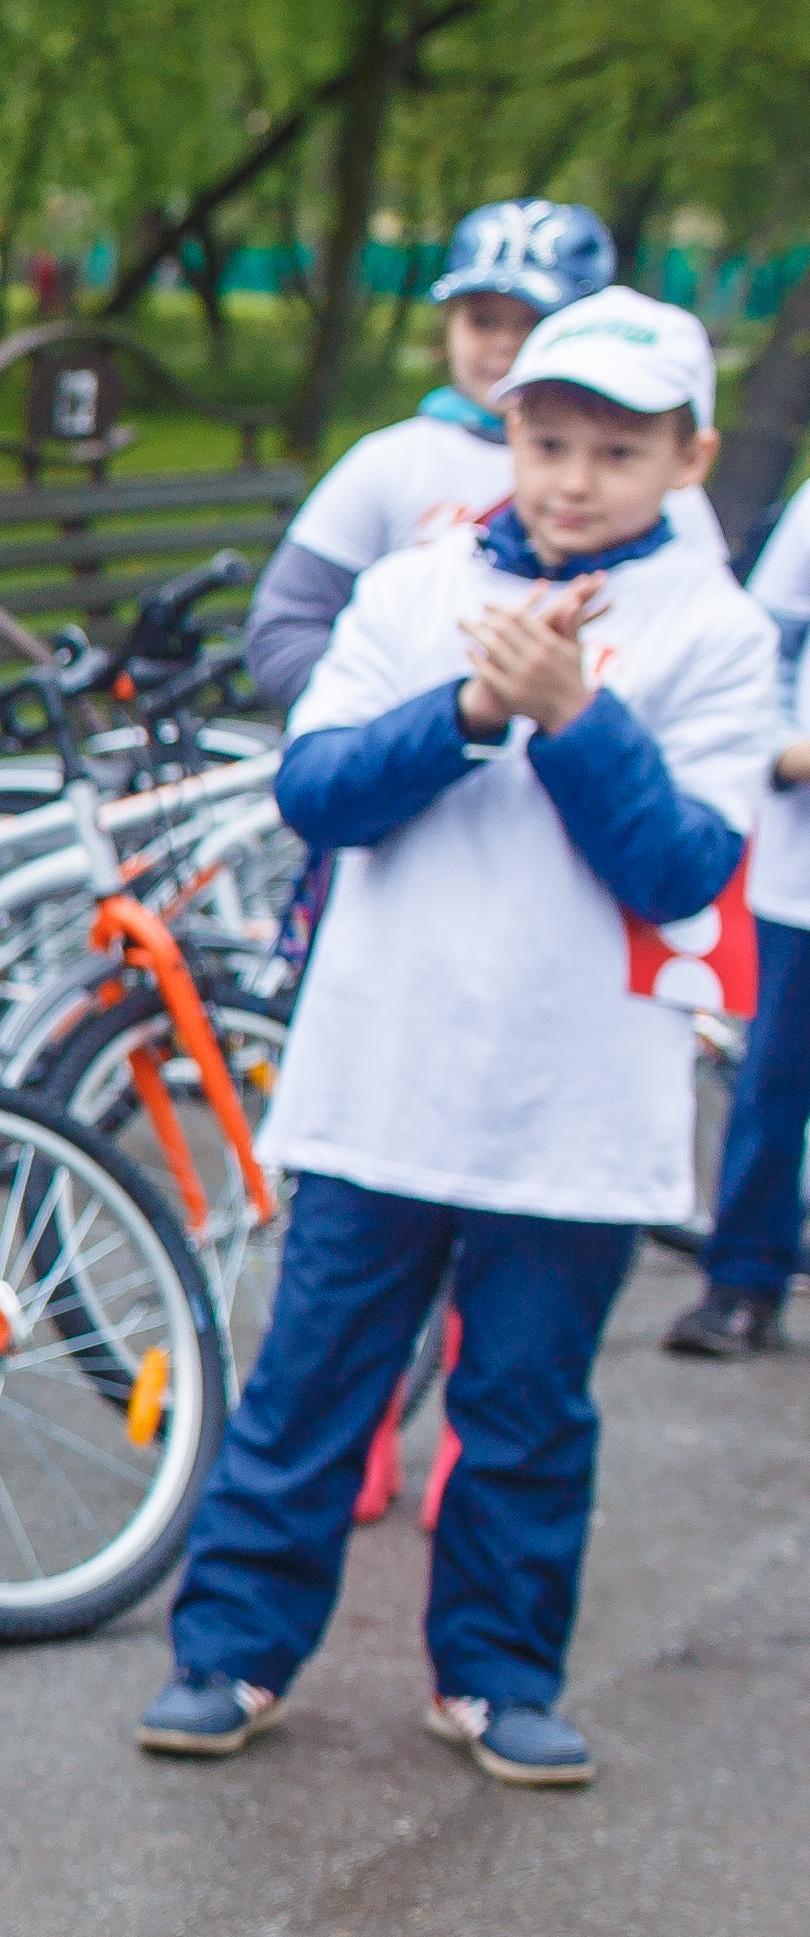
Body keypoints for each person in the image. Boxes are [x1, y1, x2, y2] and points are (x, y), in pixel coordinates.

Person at [136, 293, 773, 1785]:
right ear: (508, 432)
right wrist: (478, 705)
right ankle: (229, 1653)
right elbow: (323, 789)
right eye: (549, 440)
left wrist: (576, 718)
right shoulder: (413, 591)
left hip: (582, 1097)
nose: (573, 477)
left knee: (530, 1403)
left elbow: (687, 866)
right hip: (385, 1073)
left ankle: (494, 1675)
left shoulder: (719, 633)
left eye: (619, 450)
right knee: (313, 1378)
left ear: (690, 457)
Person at [244, 200, 722, 710]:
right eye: (482, 320)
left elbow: (709, 634)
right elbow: (285, 625)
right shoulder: (390, 462)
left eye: (534, 321)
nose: (504, 344)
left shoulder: (657, 489)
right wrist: (397, 723)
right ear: (447, 325)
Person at [657, 495, 810, 1358]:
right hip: (802, 870)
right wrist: (788, 752)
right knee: (778, 1077)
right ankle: (744, 1281)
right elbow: (766, 651)